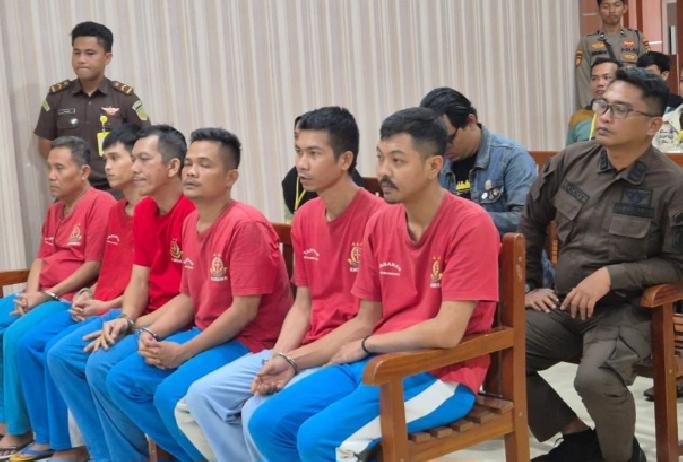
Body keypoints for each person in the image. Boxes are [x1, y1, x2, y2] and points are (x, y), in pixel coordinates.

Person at [248, 107, 500, 461]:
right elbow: (366, 318)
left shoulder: (470, 224)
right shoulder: (381, 222)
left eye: (398, 161)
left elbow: (446, 332)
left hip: (441, 373)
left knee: (318, 439)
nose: (383, 171)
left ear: (433, 165)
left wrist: (368, 345)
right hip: (375, 361)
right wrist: (292, 360)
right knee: (268, 423)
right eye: (381, 158)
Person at [175, 107, 384, 462]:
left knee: (258, 413)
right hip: (304, 344)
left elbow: (367, 321)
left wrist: (292, 360)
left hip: (346, 351)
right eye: (299, 152)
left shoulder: (378, 217)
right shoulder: (306, 216)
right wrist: (279, 358)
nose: (301, 164)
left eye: (313, 153)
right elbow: (303, 304)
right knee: (200, 398)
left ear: (345, 160)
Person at [521, 68, 683, 462]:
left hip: (628, 313)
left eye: (621, 109)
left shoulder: (671, 185)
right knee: (490, 350)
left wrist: (613, 276)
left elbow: (679, 266)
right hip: (564, 305)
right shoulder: (572, 161)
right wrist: (528, 285)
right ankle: (578, 439)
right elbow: (530, 221)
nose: (605, 117)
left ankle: (622, 458)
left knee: (595, 379)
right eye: (603, 105)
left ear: (652, 125)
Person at [103, 127, 292, 462]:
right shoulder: (191, 222)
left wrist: (185, 351)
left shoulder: (245, 224)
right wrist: (150, 333)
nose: (191, 171)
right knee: (122, 379)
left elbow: (243, 312)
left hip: (250, 341)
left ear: (230, 177)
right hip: (208, 333)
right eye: (189, 163)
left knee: (169, 395)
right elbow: (188, 298)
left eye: (204, 165)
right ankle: (195, 455)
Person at [47, 125, 194, 462]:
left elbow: (189, 299)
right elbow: (139, 280)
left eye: (143, 159)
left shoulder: (192, 212)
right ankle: (106, 454)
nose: (135, 168)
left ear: (172, 167)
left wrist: (133, 324)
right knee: (63, 356)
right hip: (143, 313)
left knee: (102, 367)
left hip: (178, 319)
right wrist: (126, 317)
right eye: (134, 159)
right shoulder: (144, 210)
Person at [11, 125, 142, 462]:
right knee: (37, 344)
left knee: (39, 346)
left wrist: (57, 295)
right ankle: (37, 431)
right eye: (106, 158)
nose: (107, 167)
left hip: (114, 308)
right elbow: (106, 271)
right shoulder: (117, 210)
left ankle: (65, 443)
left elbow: (134, 280)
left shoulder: (115, 206)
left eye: (116, 158)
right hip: (90, 301)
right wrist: (86, 291)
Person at [0, 136, 115, 458]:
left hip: (67, 296)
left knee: (19, 339)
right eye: (49, 168)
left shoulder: (101, 204)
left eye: (59, 168)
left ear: (84, 171)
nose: (50, 175)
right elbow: (41, 258)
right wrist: (30, 292)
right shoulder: (55, 210)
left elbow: (93, 265)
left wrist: (47, 294)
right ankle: (7, 419)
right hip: (42, 293)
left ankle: (35, 432)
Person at [34, 21, 151, 192]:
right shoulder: (57, 97)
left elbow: (145, 141)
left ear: (107, 58)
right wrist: (63, 169)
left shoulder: (124, 98)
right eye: (76, 53)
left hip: (114, 191)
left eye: (90, 53)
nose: (81, 60)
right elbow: (45, 142)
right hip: (72, 188)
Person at [420, 87, 536, 234]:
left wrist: (464, 219)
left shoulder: (511, 156)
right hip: (451, 246)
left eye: (447, 140)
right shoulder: (436, 162)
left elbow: (525, 220)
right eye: (434, 142)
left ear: (471, 121)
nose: (441, 149)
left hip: (499, 247)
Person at [575, 0, 649, 108]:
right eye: (605, 6)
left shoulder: (637, 38)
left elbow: (648, 74)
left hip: (631, 106)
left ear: (625, 8)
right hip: (602, 106)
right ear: (599, 10)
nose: (611, 10)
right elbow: (583, 81)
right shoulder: (587, 43)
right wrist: (590, 109)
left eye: (616, 5)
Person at [567, 58, 620, 145]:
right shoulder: (578, 117)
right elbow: (569, 152)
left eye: (606, 78)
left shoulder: (626, 116)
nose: (600, 83)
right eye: (594, 78)